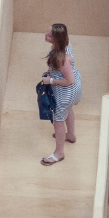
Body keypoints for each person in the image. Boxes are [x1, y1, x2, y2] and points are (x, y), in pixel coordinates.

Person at [39, 23, 82, 166]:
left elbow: (69, 80)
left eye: (49, 35)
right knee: (68, 110)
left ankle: (59, 153)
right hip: (74, 89)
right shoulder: (66, 43)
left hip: (66, 93)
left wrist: (49, 80)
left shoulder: (62, 59)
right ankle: (70, 135)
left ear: (57, 39)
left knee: (58, 122)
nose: (46, 35)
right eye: (47, 32)